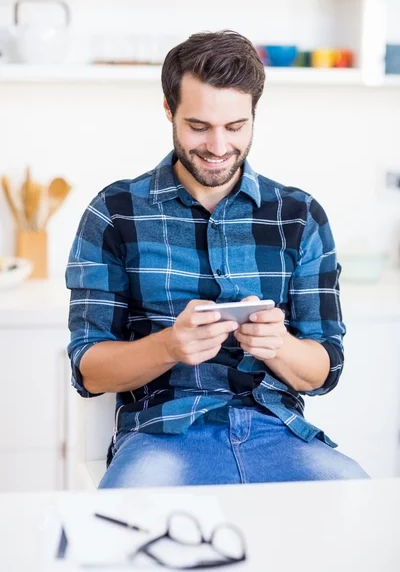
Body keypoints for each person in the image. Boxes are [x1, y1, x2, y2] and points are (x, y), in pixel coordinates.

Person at [66, 30, 368, 488]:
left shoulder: (300, 215)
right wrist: (169, 346)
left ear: (253, 116)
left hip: (280, 434)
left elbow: (325, 369)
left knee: (367, 524)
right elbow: (88, 368)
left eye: (235, 127)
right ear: (168, 111)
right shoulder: (115, 211)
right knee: (125, 550)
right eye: (198, 126)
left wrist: (279, 346)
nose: (218, 146)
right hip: (161, 438)